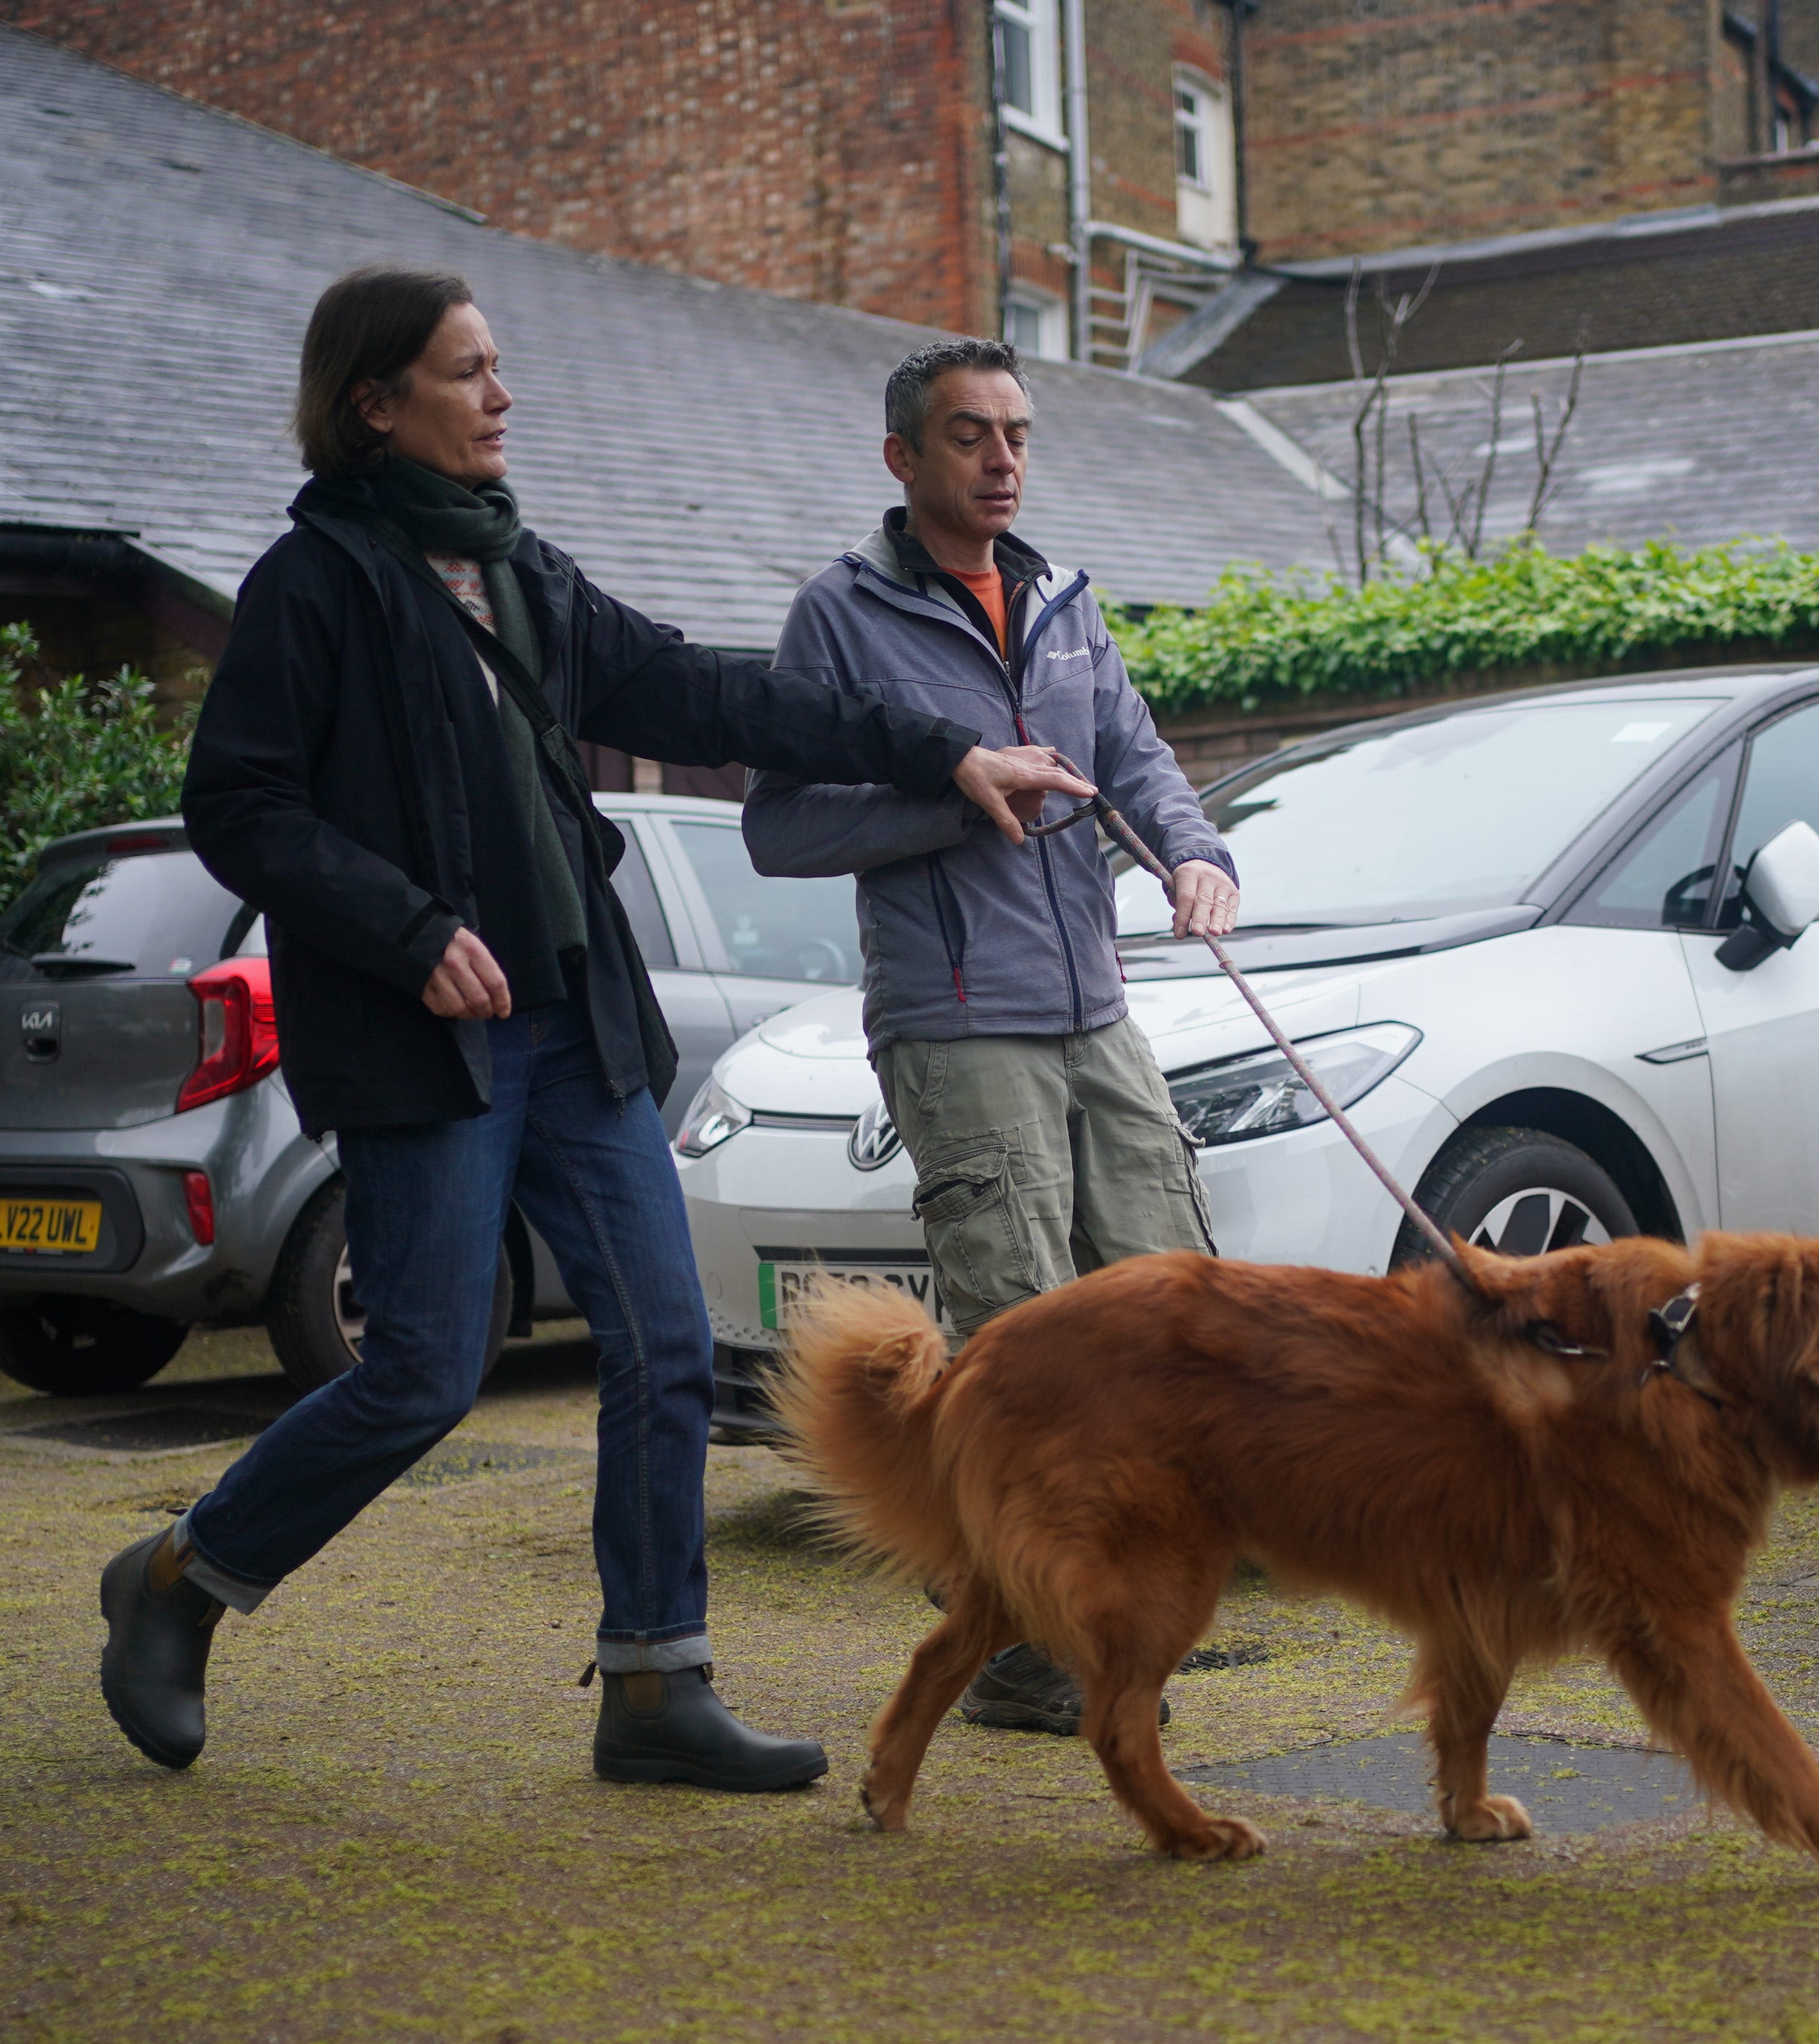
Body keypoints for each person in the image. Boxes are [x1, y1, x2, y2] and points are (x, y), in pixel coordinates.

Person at [99, 268, 1091, 1788]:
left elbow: (711, 691)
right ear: (378, 402)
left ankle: (653, 1685)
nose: (504, 396)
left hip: (579, 1024)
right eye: (470, 371)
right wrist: (411, 929)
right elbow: (242, 806)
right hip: (436, 1041)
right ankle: (183, 1578)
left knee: (666, 1345)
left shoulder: (518, 571)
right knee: (425, 1369)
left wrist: (951, 748)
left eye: (500, 368)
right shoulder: (318, 584)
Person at [744, 337, 1239, 1735]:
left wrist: (1197, 856)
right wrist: (963, 799)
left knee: (1171, 1307)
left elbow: (1139, 763)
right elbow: (780, 825)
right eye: (971, 436)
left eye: (1017, 433)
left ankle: (1102, 1604)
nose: (1004, 459)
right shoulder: (838, 617)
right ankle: (1021, 1645)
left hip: (1098, 1006)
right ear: (904, 457)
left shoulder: (1067, 600)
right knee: (1029, 1348)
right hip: (958, 1023)